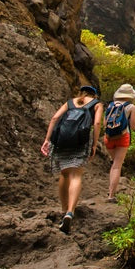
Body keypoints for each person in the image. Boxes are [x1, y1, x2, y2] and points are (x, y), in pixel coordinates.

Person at [41, 84, 103, 234]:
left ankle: (63, 210)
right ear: (94, 95)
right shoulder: (97, 104)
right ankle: (70, 212)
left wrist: (47, 140)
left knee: (64, 174)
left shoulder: (70, 102)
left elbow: (55, 118)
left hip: (61, 141)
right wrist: (94, 144)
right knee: (76, 175)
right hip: (80, 141)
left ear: (81, 92)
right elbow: (97, 123)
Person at [103, 83, 135, 200]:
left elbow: (104, 124)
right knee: (117, 166)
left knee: (114, 165)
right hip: (123, 137)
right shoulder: (131, 107)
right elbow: (133, 126)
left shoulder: (110, 106)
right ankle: (111, 195)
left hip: (108, 137)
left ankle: (111, 190)